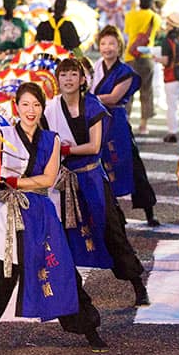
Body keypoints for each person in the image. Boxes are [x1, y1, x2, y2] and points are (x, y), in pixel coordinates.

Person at [0, 82, 105, 355]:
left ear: (42, 108)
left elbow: (48, 179)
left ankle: (89, 328)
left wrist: (14, 181)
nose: (31, 110)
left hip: (40, 215)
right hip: (6, 216)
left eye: (36, 105)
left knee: (61, 273)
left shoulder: (52, 140)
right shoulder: (1, 136)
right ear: (16, 107)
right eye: (25, 105)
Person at [43, 58, 149, 306]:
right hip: (63, 182)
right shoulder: (50, 110)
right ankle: (74, 294)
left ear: (82, 80)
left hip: (91, 178)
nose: (68, 79)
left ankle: (137, 284)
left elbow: (94, 145)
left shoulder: (92, 105)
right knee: (65, 236)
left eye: (73, 74)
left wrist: (66, 151)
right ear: (57, 80)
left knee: (112, 231)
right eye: (63, 75)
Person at [90, 26, 159, 226]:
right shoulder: (95, 67)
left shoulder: (126, 72)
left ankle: (149, 211)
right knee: (100, 167)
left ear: (119, 46)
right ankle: (111, 213)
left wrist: (86, 98)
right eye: (103, 43)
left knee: (133, 166)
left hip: (117, 122)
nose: (107, 48)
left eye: (111, 43)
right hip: (96, 121)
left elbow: (113, 98)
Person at [123, 0, 160, 135]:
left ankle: (126, 122)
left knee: (128, 92)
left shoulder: (130, 15)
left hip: (130, 57)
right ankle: (143, 125)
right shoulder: (154, 17)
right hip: (146, 58)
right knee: (146, 91)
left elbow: (127, 33)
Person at [154, 12, 179, 143]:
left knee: (172, 107)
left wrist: (155, 58)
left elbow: (166, 61)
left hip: (171, 78)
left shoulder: (167, 41)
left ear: (171, 26)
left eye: (167, 23)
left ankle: (172, 132)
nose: (165, 26)